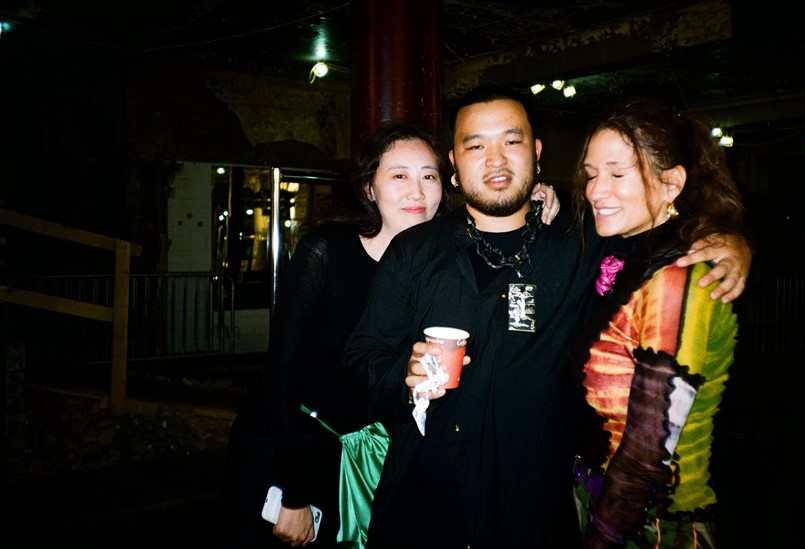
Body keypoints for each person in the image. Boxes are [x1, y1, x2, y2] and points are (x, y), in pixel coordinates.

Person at [342, 84, 752, 548]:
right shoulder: (413, 253)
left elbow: (654, 228)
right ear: (454, 165)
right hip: (426, 509)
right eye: (476, 146)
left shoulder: (584, 243)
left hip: (535, 513)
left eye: (511, 142)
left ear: (536, 153)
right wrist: (404, 376)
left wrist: (725, 239)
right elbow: (360, 360)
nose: (495, 160)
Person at [218, 120, 560, 548]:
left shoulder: (440, 260)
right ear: (369, 188)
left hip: (370, 449)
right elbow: (281, 375)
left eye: (429, 176)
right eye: (399, 176)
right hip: (294, 445)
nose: (417, 192)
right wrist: (294, 493)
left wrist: (533, 200)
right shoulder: (327, 252)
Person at [570, 98, 744, 548]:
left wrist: (602, 538)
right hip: (599, 497)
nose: (595, 190)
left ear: (672, 183)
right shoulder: (619, 253)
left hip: (653, 523)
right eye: (591, 174)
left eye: (617, 173)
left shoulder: (679, 277)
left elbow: (649, 451)